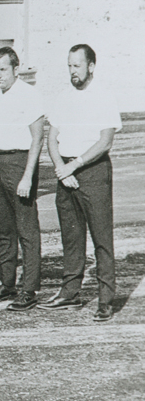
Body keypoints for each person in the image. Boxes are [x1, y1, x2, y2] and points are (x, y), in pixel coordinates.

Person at [45, 44, 121, 321]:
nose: (72, 71)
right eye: (69, 66)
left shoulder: (103, 96)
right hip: (66, 173)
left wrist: (74, 165)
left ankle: (105, 301)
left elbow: (105, 141)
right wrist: (61, 168)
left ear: (91, 66)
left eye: (77, 65)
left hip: (92, 171)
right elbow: (51, 138)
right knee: (71, 237)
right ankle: (69, 294)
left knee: (102, 239)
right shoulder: (63, 96)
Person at [0, 46, 46, 312]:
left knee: (26, 230)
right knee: (3, 229)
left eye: (3, 70)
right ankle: (7, 283)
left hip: (19, 163)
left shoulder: (29, 95)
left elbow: (37, 138)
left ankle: (29, 289)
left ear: (16, 69)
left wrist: (28, 176)